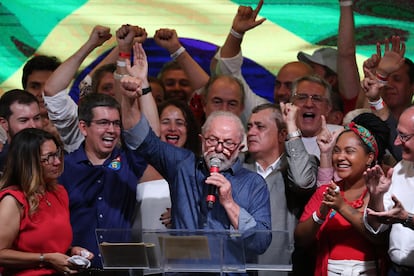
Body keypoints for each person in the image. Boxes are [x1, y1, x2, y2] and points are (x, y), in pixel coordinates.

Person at [121, 76, 272, 273]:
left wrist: (229, 203)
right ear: (201, 139)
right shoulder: (183, 166)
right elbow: (140, 139)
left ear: (240, 147)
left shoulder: (254, 183)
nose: (218, 149)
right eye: (212, 140)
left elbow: (261, 242)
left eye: (227, 143)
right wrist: (129, 99)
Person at [295, 123, 388, 276]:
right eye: (336, 151)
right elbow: (300, 240)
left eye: (349, 151)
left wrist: (341, 206)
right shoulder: (326, 191)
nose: (340, 157)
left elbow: (379, 237)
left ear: (369, 157)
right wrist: (320, 213)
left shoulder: (380, 191)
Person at [0, 128, 93, 275]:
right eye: (49, 157)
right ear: (29, 162)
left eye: (57, 154)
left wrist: (71, 251)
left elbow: (51, 245)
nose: (57, 162)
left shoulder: (59, 193)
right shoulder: (13, 200)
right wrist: (45, 258)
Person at [244, 103, 317, 275]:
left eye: (260, 127)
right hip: (241, 266)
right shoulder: (239, 166)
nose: (251, 132)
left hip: (285, 268)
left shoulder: (302, 164)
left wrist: (292, 126)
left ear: (282, 134)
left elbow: (302, 182)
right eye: (249, 127)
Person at [363, 106, 414, 275]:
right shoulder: (400, 169)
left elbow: (403, 217)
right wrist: (376, 196)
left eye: (404, 136)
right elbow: (375, 227)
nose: (396, 142)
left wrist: (406, 219)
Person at [136, 99, 200, 230]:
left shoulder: (199, 167)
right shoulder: (138, 165)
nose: (172, 128)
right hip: (143, 244)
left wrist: (181, 214)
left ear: (188, 130)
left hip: (185, 245)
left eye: (179, 123)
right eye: (165, 122)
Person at [0, 89, 43, 172]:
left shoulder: (56, 158)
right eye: (24, 120)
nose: (33, 126)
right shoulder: (2, 166)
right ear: (4, 123)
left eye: (36, 118)